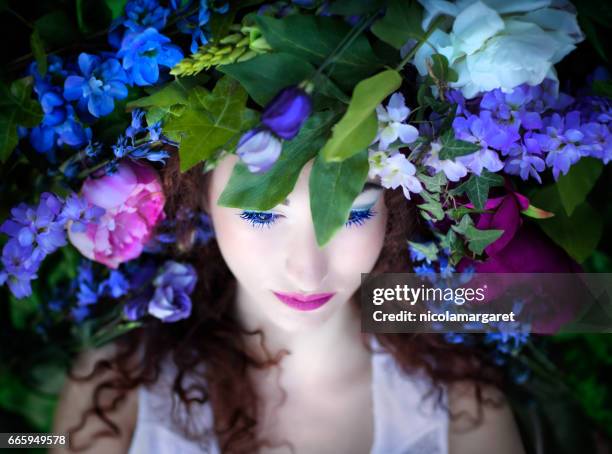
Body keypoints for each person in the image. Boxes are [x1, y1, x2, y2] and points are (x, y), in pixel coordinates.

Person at [51, 150, 526, 454]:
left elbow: (587, 305)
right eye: (260, 214)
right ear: (197, 199)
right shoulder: (116, 394)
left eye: (351, 211)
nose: (307, 270)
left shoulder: (459, 398)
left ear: (394, 209)